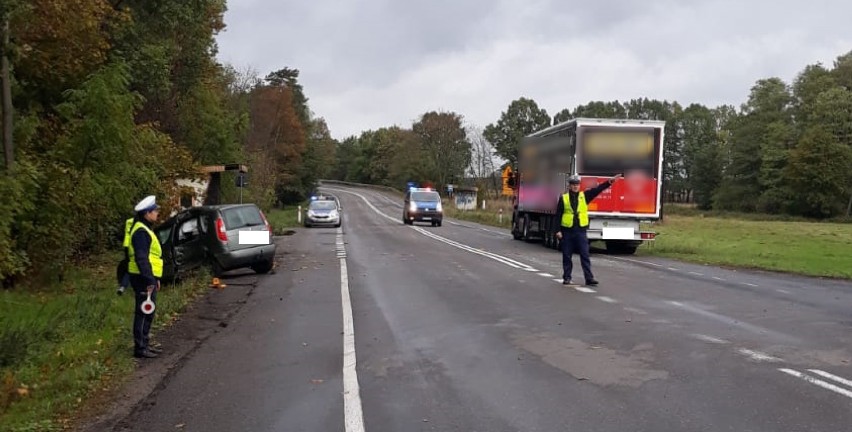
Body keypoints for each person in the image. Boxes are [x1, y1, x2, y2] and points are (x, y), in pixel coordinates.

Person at [555, 173, 623, 286]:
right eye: (573, 184)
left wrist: (609, 182)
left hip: (580, 231)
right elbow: (558, 215)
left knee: (585, 255)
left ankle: (589, 278)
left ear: (579, 186)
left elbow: (597, 190)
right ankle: (567, 277)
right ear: (569, 186)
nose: (575, 186)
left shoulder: (584, 196)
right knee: (567, 256)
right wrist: (557, 230)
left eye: (577, 184)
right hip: (567, 231)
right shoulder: (564, 198)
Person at [125, 195, 163, 359]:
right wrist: (149, 280)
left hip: (147, 277)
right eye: (155, 211)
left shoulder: (144, 228)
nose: (157, 213)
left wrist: (156, 279)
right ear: (147, 213)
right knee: (143, 312)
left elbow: (151, 257)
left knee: (148, 311)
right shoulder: (140, 232)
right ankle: (140, 348)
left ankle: (145, 344)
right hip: (142, 278)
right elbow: (142, 258)